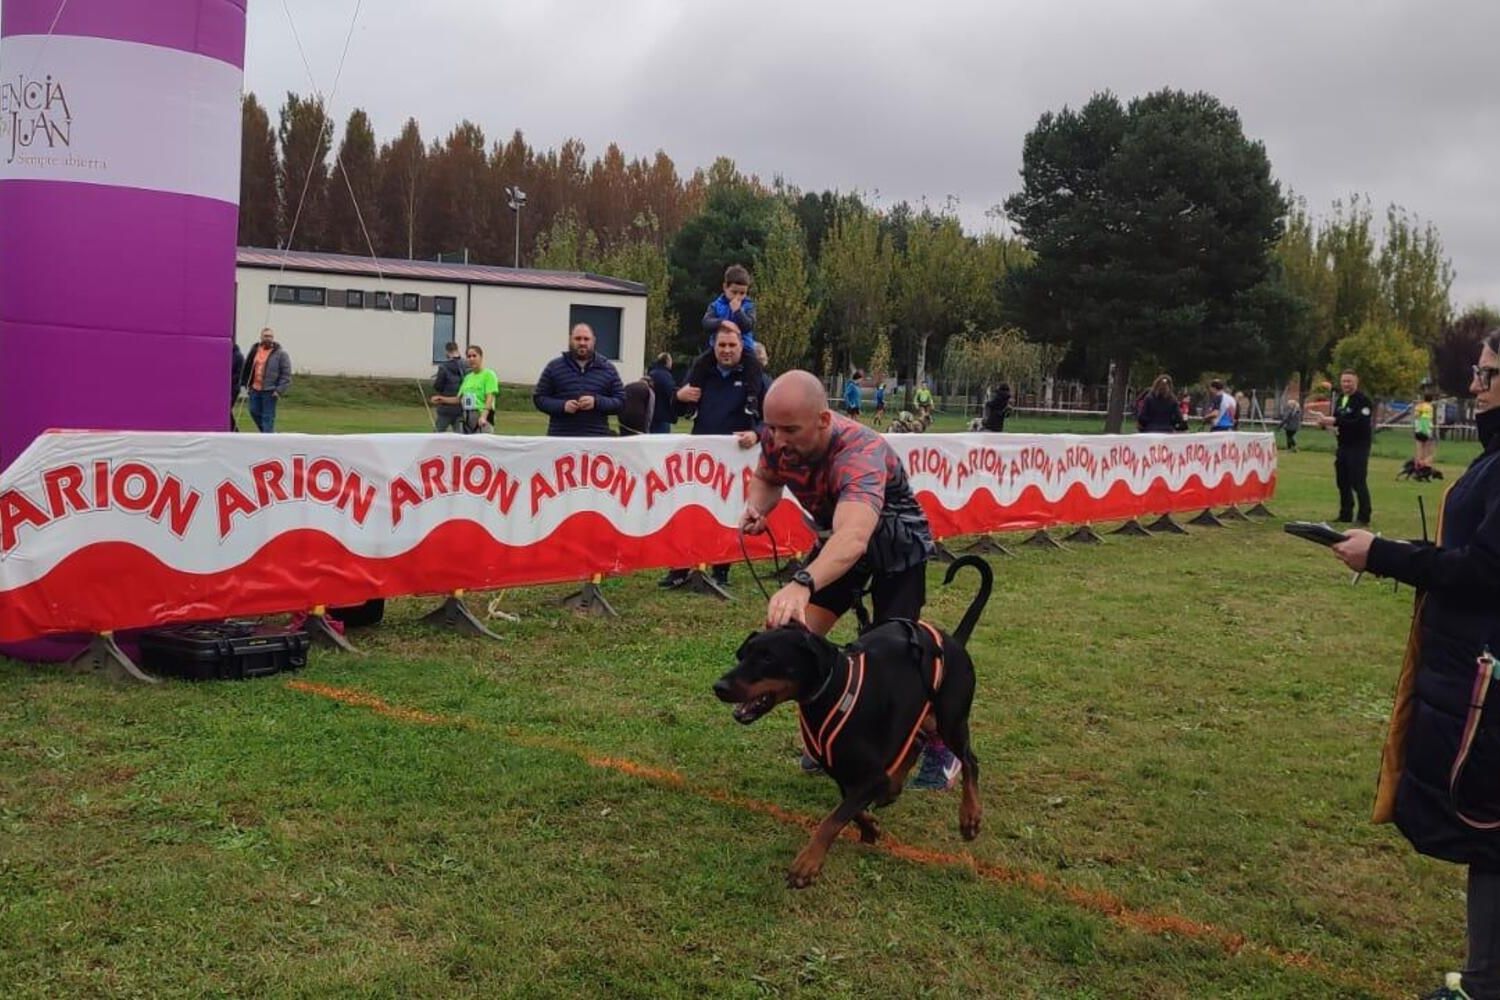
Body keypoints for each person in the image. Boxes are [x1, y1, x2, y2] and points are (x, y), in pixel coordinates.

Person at [1329, 332, 1500, 1000]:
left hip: (1486, 667)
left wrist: (1387, 556)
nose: (1476, 385)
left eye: (1488, 374)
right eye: (1477, 373)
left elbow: (1486, 569)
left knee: (1488, 827)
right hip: (1471, 657)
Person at [740, 369, 961, 792]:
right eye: (772, 428)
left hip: (894, 548)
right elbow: (767, 478)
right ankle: (830, 734)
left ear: (823, 421)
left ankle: (941, 746)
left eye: (790, 429)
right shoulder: (777, 436)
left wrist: (802, 583)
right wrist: (758, 508)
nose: (778, 440)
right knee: (797, 638)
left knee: (897, 662)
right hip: (839, 544)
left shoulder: (859, 453)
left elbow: (855, 537)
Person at [659, 322, 761, 590]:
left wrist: (757, 434)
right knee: (688, 508)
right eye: (721, 345)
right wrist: (678, 396)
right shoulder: (702, 371)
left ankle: (721, 569)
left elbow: (773, 417)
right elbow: (674, 411)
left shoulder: (755, 377)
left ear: (742, 346)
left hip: (735, 457)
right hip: (700, 454)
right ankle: (679, 568)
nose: (726, 351)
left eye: (732, 346)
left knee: (727, 513)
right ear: (714, 347)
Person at [684, 265, 765, 415]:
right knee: (699, 364)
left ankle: (752, 399)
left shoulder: (748, 306)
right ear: (725, 287)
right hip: (718, 347)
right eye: (734, 292)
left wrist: (738, 312)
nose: (738, 297)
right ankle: (693, 403)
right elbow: (706, 323)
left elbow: (749, 325)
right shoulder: (716, 305)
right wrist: (721, 322)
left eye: (742, 293)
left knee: (754, 366)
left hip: (743, 347)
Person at [533, 323, 625, 437]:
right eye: (578, 338)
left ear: (593, 341)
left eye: (586, 339)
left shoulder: (608, 369)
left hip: (597, 439)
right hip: (561, 438)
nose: (582, 343)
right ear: (570, 340)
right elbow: (539, 398)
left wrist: (597, 402)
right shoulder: (554, 367)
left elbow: (621, 401)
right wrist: (562, 406)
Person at [1318, 368, 1374, 525]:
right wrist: (1325, 424)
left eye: (1349, 381)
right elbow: (1338, 420)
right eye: (1344, 381)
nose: (1346, 384)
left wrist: (1334, 421)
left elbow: (1359, 423)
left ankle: (1364, 516)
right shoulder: (1341, 398)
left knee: (1358, 481)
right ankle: (1345, 514)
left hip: (1359, 446)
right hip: (1343, 446)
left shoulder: (1363, 401)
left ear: (1356, 382)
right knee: (1342, 481)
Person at [432, 345, 498, 433]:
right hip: (467, 417)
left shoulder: (489, 375)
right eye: (469, 356)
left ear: (481, 357)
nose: (471, 359)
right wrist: (442, 399)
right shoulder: (468, 378)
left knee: (482, 445)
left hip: (482, 418)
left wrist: (484, 416)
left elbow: (490, 397)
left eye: (474, 356)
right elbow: (459, 399)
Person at [239, 326, 291, 433]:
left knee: (268, 416)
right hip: (255, 389)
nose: (268, 338)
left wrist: (279, 390)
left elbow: (286, 374)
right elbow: (247, 367)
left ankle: (267, 437)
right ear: (261, 337)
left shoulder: (281, 354)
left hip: (270, 390)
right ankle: (268, 434)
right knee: (253, 411)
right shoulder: (255, 351)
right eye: (266, 336)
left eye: (270, 336)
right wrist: (244, 385)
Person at [429, 341, 467, 433]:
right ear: (457, 349)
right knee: (460, 439)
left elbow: (438, 386)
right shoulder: (466, 364)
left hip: (445, 407)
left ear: (447, 351)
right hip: (461, 407)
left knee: (437, 436)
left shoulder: (443, 367)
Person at [647, 352, 677, 433]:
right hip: (662, 414)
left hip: (652, 413)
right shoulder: (665, 375)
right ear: (667, 361)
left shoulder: (652, 373)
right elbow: (671, 392)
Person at [1415, 392, 1438, 474]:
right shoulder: (1429, 408)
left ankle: (1417, 468)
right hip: (1425, 430)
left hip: (1418, 430)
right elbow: (1428, 420)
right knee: (1428, 452)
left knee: (1419, 451)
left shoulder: (1419, 406)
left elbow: (1417, 416)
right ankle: (1425, 467)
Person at [230, 340, 244, 431]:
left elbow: (238, 374)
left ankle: (235, 431)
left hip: (233, 388)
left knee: (226, 410)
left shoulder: (238, 356)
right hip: (226, 388)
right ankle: (233, 430)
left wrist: (226, 381)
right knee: (226, 411)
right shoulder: (226, 354)